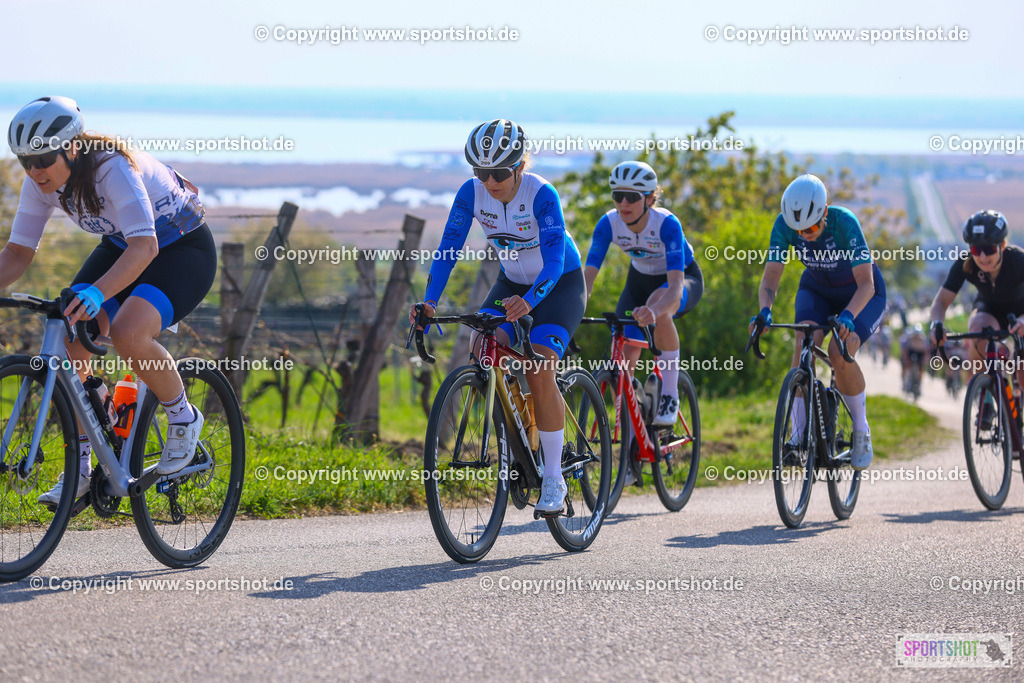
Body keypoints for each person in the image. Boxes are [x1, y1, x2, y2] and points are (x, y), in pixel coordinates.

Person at [4, 96, 216, 504]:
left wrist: (100, 291)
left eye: (43, 158)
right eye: (24, 160)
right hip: (123, 246)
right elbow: (17, 254)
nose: (34, 170)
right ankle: (82, 467)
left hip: (180, 249)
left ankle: (183, 417)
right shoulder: (40, 184)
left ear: (72, 147)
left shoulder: (111, 168)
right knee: (70, 343)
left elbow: (146, 247)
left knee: (127, 332)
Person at [409, 119, 584, 514]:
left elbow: (554, 263)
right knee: (482, 345)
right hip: (512, 283)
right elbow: (448, 249)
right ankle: (523, 432)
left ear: (520, 166)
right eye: (480, 172)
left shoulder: (541, 193)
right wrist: (429, 302)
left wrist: (532, 301)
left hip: (558, 286)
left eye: (499, 172)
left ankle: (553, 479)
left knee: (539, 366)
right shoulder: (471, 194)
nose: (489, 181)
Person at [749, 174, 886, 470]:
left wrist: (849, 315)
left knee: (840, 353)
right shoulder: (784, 225)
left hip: (860, 293)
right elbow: (771, 276)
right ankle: (797, 438)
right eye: (799, 231)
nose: (806, 235)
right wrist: (765, 311)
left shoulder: (844, 223)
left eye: (811, 227)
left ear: (824, 213)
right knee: (801, 350)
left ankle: (861, 430)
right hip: (817, 289)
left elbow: (867, 284)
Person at [583, 161, 703, 426]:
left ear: (649, 198)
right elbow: (586, 279)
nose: (623, 203)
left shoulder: (667, 224)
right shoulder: (609, 224)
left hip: (681, 279)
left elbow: (674, 290)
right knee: (621, 353)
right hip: (638, 280)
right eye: (618, 196)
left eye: (633, 197)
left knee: (658, 309)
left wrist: (655, 311)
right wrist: (574, 304)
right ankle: (633, 429)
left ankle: (670, 395)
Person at [930, 210, 1024, 418]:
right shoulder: (966, 263)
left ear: (1002, 246)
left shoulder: (1018, 260)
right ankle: (987, 396)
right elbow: (940, 302)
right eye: (976, 249)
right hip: (989, 310)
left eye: (989, 249)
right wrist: (937, 324)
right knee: (978, 328)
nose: (982, 256)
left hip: (1021, 313)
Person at [899, 324, 928, 398]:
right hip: (911, 352)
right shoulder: (909, 339)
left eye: (918, 335)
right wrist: (906, 359)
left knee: (921, 369)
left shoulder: (923, 340)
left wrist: (925, 359)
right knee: (907, 367)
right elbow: (905, 351)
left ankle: (919, 384)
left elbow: (925, 351)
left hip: (919, 354)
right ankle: (906, 381)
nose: (917, 336)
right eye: (915, 334)